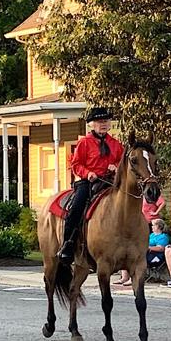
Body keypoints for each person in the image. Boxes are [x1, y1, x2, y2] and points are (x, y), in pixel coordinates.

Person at [57, 107, 124, 264]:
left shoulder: (115, 144)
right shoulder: (84, 143)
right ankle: (68, 244)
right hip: (89, 182)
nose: (103, 125)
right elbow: (75, 164)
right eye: (100, 122)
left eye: (106, 121)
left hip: (110, 181)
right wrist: (88, 173)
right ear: (92, 125)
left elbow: (123, 163)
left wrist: (116, 166)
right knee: (77, 208)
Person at [116, 218, 170, 286]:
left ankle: (133, 279)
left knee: (136, 258)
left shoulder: (163, 236)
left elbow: (160, 248)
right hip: (146, 253)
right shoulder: (152, 235)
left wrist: (148, 248)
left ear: (159, 227)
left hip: (156, 256)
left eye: (153, 225)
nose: (151, 227)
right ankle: (124, 277)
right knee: (126, 255)